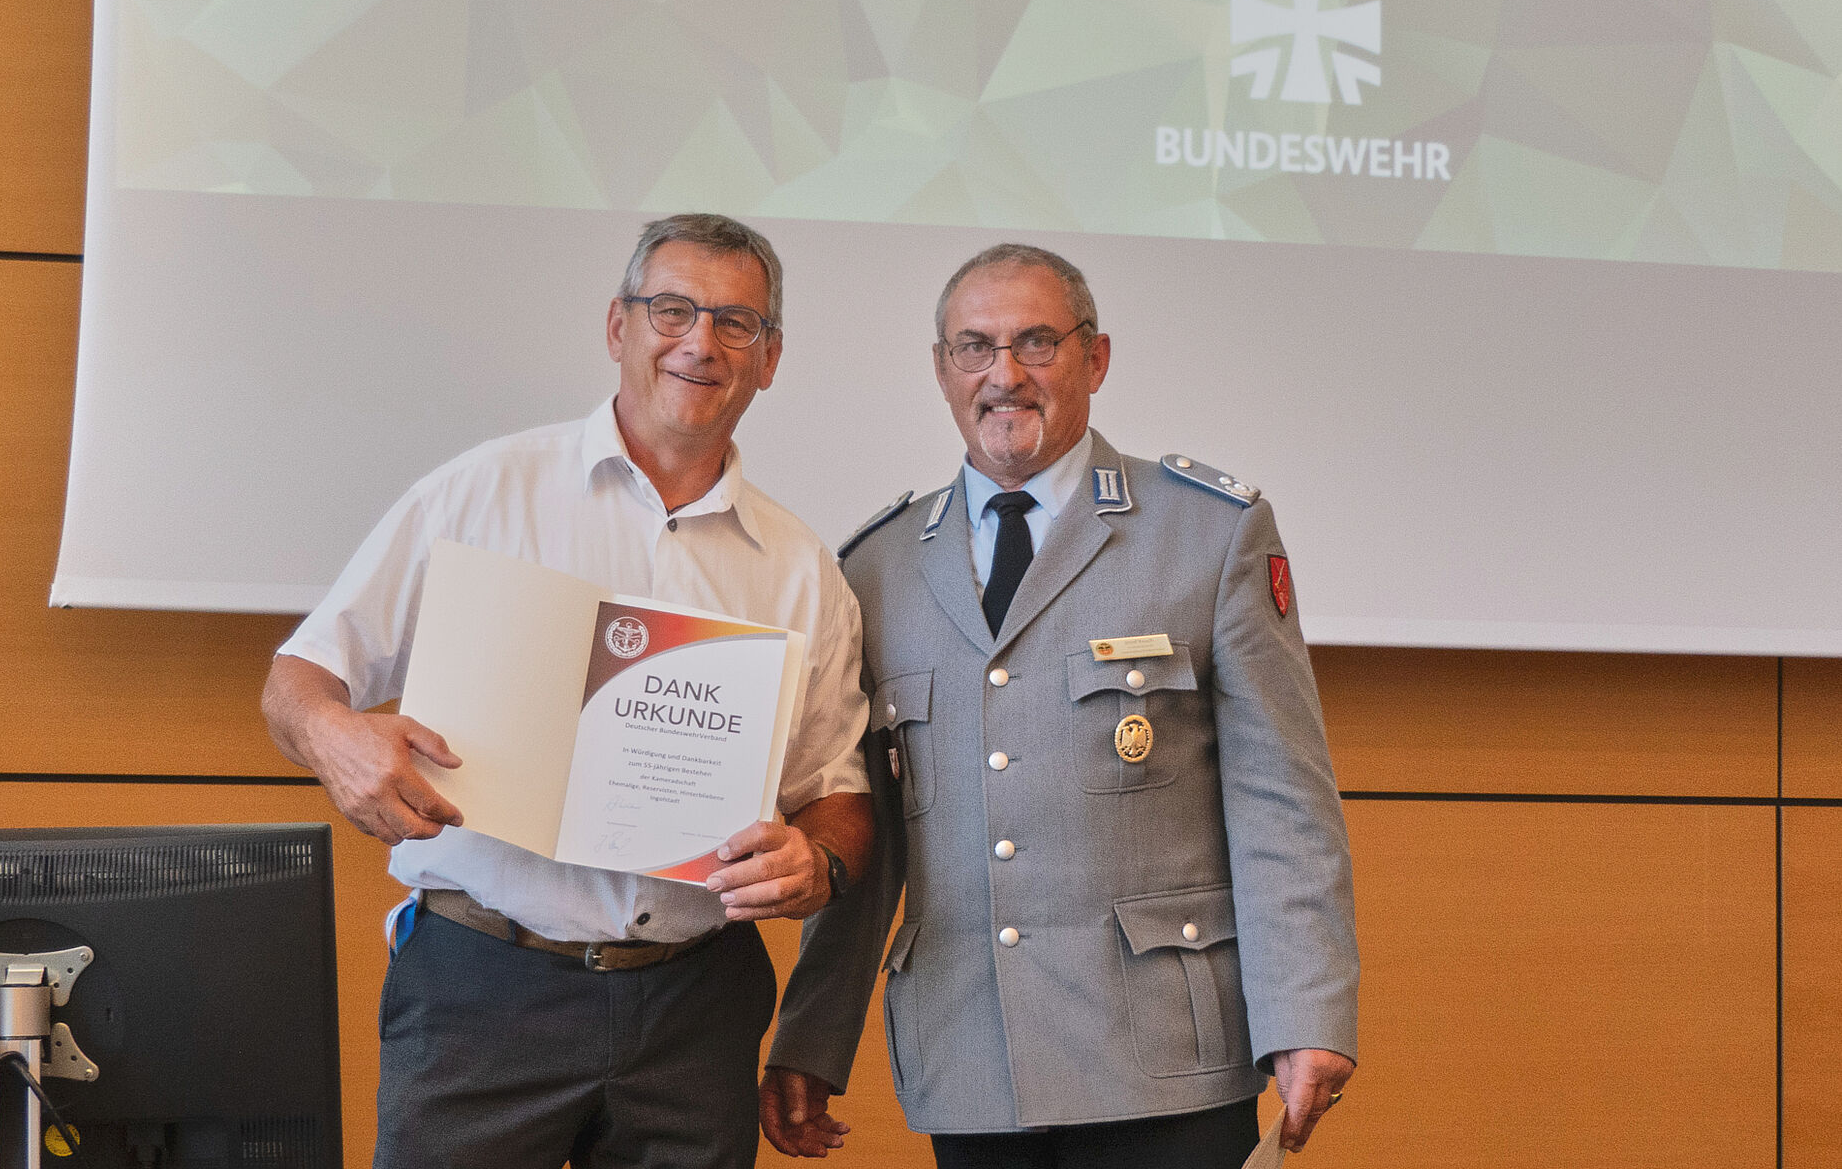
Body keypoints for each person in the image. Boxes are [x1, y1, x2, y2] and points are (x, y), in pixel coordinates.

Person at [262, 214, 871, 1169]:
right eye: (671, 309)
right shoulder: (479, 496)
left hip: (694, 1008)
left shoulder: (801, 570)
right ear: (617, 327)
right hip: (481, 990)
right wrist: (337, 738)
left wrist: (816, 865)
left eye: (735, 323)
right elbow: (299, 680)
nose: (700, 343)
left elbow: (835, 790)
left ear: (771, 358)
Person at [762, 244, 1358, 1167]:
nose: (1004, 374)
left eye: (1037, 343)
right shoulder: (875, 568)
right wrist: (811, 1037)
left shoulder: (1207, 533)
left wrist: (1306, 1011)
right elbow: (866, 829)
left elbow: (1282, 800)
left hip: (1164, 1056)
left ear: (1095, 358)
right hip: (970, 1057)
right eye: (975, 348)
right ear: (941, 369)